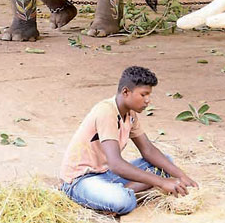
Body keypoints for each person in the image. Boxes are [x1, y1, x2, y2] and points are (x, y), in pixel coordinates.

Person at [59, 65, 198, 215]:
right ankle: (118, 196)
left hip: (105, 173)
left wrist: (182, 176)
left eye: (149, 95)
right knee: (123, 202)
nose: (148, 100)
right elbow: (116, 164)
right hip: (80, 181)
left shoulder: (130, 114)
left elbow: (148, 150)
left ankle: (123, 191)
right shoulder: (106, 111)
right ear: (126, 92)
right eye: (143, 94)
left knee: (165, 162)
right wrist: (162, 182)